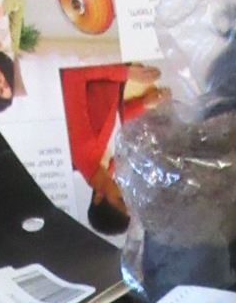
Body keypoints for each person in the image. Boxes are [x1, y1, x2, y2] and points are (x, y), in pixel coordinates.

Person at [61, 64, 166, 234]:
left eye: (120, 200)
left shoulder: (82, 150)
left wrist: (126, 73)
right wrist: (144, 104)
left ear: (98, 197)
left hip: (101, 58)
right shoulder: (110, 168)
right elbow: (112, 119)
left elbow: (72, 76)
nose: (125, 195)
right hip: (120, 70)